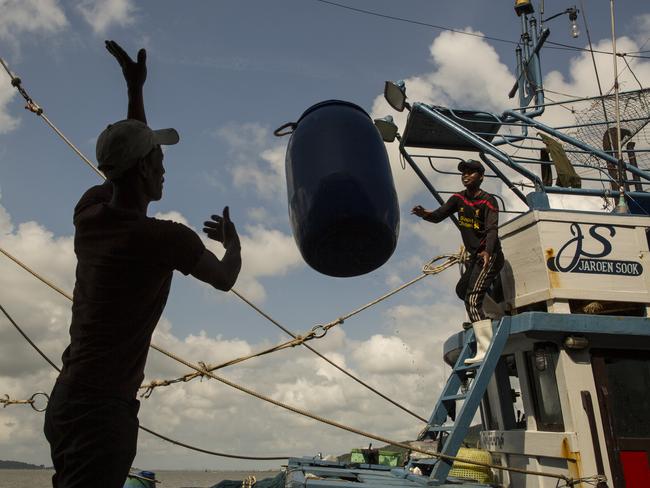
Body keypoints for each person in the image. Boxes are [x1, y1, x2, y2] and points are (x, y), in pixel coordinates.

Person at [44, 40, 242, 488]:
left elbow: (124, 164)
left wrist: (135, 91)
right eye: (159, 160)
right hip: (103, 411)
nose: (165, 169)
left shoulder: (90, 213)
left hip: (67, 400)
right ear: (145, 171)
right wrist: (235, 244)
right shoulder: (163, 239)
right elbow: (226, 279)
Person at [412, 159, 503, 365]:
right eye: (464, 173)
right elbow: (438, 216)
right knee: (462, 290)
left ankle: (485, 348)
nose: (465, 176)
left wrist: (488, 251)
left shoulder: (488, 201)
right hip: (474, 257)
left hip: (490, 257)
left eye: (471, 173)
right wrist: (424, 214)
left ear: (481, 177)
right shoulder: (458, 199)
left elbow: (492, 230)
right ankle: (494, 316)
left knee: (472, 299)